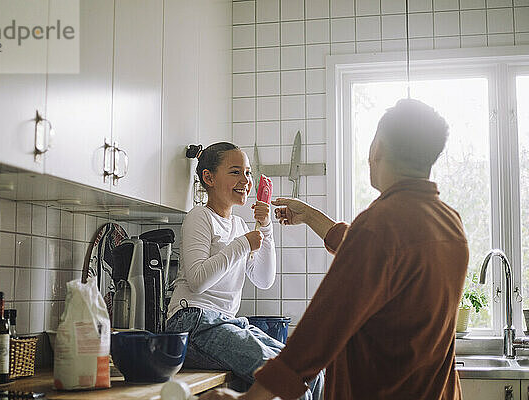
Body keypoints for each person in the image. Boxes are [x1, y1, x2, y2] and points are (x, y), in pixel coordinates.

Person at [201, 99, 469, 400]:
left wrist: (250, 399)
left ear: (377, 148)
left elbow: (320, 330)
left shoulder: (380, 225)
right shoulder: (449, 222)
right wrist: (309, 215)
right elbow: (381, 260)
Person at [166, 142, 323, 399]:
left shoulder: (239, 225)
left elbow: (263, 279)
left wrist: (265, 227)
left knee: (309, 371)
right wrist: (242, 245)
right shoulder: (199, 217)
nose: (246, 180)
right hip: (192, 324)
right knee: (287, 382)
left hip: (227, 323)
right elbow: (197, 281)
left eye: (248, 173)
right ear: (209, 178)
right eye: (236, 172)